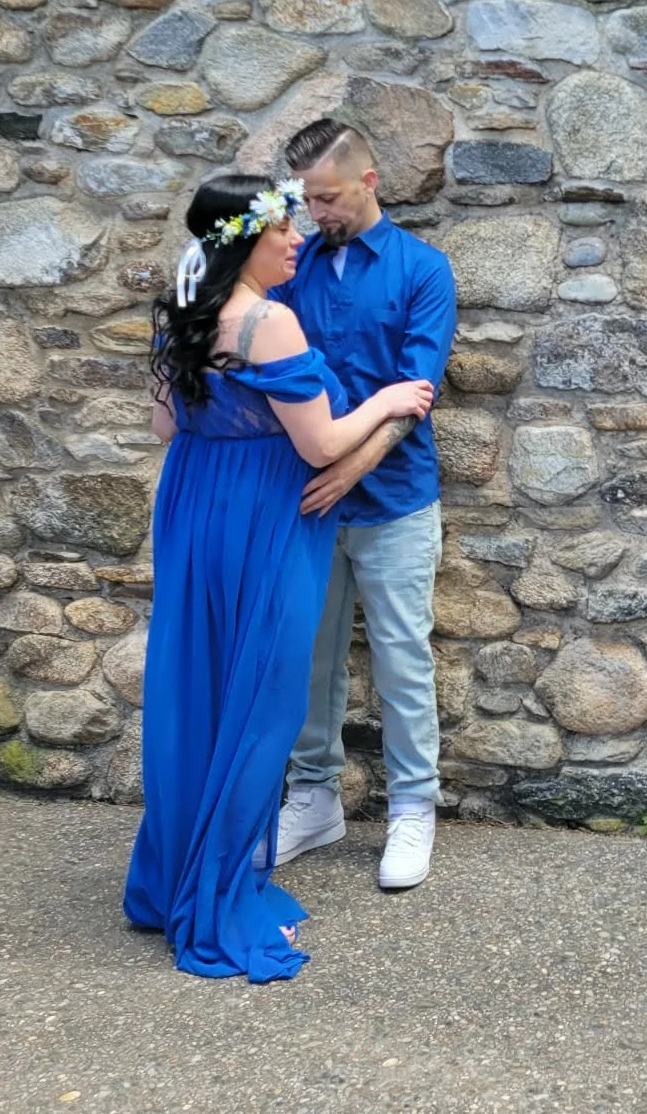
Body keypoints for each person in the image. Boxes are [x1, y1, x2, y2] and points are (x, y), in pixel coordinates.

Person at [124, 174, 434, 981]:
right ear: (245, 242)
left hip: (195, 515)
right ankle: (219, 893)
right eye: (282, 231)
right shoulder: (270, 320)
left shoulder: (184, 315)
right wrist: (390, 398)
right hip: (265, 521)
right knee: (261, 700)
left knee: (198, 691)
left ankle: (173, 878)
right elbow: (323, 446)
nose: (297, 240)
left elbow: (165, 423)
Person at [266, 120, 458, 891]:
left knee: (402, 657)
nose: (317, 213)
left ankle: (414, 806)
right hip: (307, 503)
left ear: (370, 183)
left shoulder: (423, 270)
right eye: (307, 199)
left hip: (396, 500)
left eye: (330, 197)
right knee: (310, 660)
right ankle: (313, 800)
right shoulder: (294, 266)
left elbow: (416, 396)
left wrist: (351, 469)